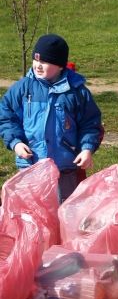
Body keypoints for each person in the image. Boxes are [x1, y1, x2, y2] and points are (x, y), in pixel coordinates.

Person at [0, 34, 103, 204]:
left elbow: (90, 124)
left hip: (65, 168)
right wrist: (15, 142)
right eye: (36, 60)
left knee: (65, 212)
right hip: (31, 164)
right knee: (33, 212)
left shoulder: (76, 92)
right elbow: (6, 115)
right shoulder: (24, 87)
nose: (38, 66)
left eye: (44, 62)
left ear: (60, 66)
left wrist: (87, 148)